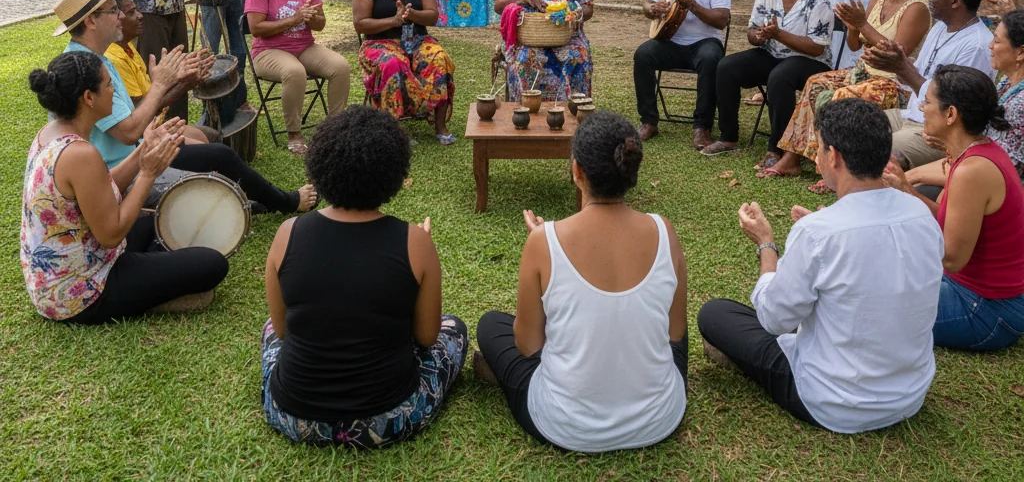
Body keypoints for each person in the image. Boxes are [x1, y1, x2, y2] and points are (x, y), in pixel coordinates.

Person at [698, 98, 944, 432]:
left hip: (834, 402)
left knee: (715, 314)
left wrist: (766, 246)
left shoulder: (818, 233)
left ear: (835, 157)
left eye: (819, 148)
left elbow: (773, 319)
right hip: (909, 395)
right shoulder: (922, 216)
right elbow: (874, 259)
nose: (816, 157)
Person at [475, 112, 688, 452]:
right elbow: (675, 333)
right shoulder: (665, 231)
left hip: (566, 424)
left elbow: (529, 346)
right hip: (658, 418)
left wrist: (548, 244)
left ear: (577, 170)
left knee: (490, 325)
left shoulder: (543, 242)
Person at [261, 106, 467, 447]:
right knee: (454, 328)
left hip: (293, 416)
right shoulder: (415, 241)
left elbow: (282, 330)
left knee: (269, 328)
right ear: (395, 174)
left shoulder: (288, 232)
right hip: (387, 419)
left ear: (321, 167)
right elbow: (427, 337)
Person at [55, 0, 316, 213]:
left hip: (140, 152)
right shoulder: (83, 68)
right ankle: (283, 202)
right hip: (124, 171)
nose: (120, 17)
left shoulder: (97, 58)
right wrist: (161, 85)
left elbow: (133, 122)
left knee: (214, 154)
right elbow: (127, 133)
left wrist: (175, 84)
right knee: (213, 168)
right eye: (114, 11)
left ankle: (259, 202)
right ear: (90, 21)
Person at [21, 51, 230, 323]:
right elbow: (112, 235)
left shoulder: (50, 135)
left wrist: (144, 149)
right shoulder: (80, 154)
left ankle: (153, 281)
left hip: (69, 269)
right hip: (81, 292)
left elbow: (101, 190)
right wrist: (148, 173)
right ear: (88, 98)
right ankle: (147, 296)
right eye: (109, 85)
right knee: (213, 263)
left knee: (166, 222)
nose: (113, 91)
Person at [765, 0, 931, 184]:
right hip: (862, 71)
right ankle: (792, 159)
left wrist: (862, 23)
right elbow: (855, 45)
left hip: (891, 82)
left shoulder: (917, 8)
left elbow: (896, 56)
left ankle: (834, 169)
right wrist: (854, 28)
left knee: (839, 97)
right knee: (815, 83)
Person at [884, 67, 1024, 351]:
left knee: (865, 301)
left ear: (951, 115)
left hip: (985, 310)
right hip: (974, 292)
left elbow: (951, 258)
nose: (922, 108)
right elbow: (950, 226)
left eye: (928, 102)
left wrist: (906, 192)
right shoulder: (975, 154)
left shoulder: (972, 170)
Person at [862, 0, 995, 169]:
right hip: (911, 115)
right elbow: (920, 73)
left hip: (938, 133)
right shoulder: (941, 27)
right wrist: (894, 63)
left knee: (876, 149)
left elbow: (951, 105)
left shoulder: (977, 46)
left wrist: (903, 67)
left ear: (955, 1)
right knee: (854, 125)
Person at [711, 0, 832, 159]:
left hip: (809, 61)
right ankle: (728, 137)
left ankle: (777, 148)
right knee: (726, 67)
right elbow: (752, 30)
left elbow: (817, 47)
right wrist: (758, 36)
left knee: (780, 76)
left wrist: (779, 34)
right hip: (772, 54)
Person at [245, 0, 350, 155]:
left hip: (304, 47)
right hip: (268, 51)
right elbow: (255, 28)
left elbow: (320, 25)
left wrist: (313, 18)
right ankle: (294, 133)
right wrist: (294, 19)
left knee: (340, 67)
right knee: (295, 72)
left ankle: (336, 128)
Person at [634, 0, 731, 147]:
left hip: (704, 41)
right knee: (643, 55)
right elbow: (647, 5)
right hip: (670, 40)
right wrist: (654, 8)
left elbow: (721, 20)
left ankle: (702, 127)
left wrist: (694, 7)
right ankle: (649, 121)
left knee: (710, 59)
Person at [353, 0, 456, 145]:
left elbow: (432, 16)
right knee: (393, 63)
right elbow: (360, 23)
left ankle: (440, 125)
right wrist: (394, 21)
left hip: (417, 40)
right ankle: (396, 129)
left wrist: (412, 14)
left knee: (439, 58)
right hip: (379, 43)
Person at [106, 0, 216, 145]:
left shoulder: (127, 47)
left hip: (154, 125)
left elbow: (151, 97)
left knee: (211, 136)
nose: (140, 16)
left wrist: (178, 76)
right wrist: (182, 84)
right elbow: (141, 109)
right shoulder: (114, 59)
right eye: (131, 13)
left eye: (137, 10)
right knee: (211, 148)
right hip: (144, 136)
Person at [988, 10, 1024, 180]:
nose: (990, 45)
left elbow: (1003, 172)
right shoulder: (1007, 83)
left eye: (996, 40)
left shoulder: (1020, 104)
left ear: (1020, 53)